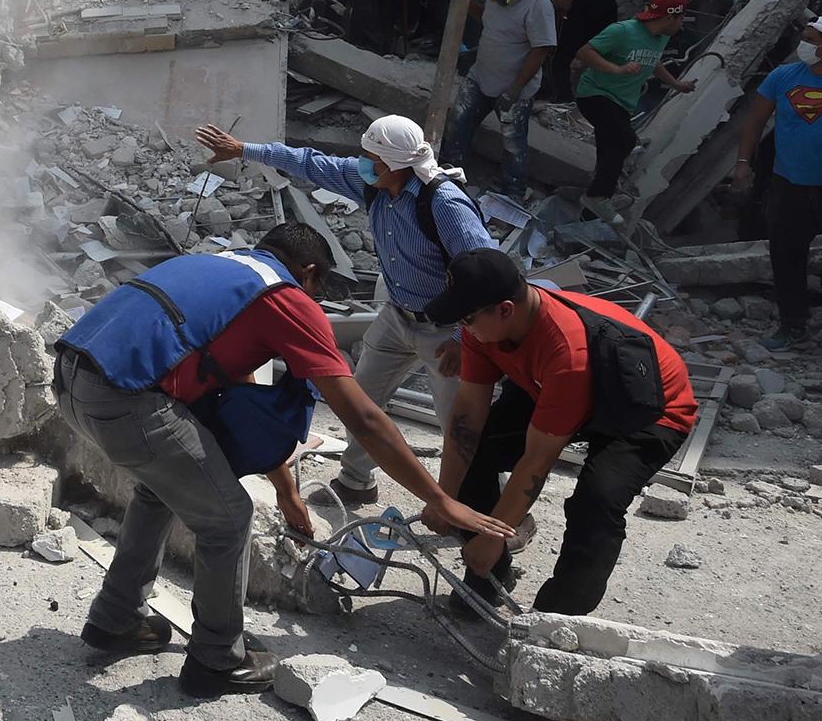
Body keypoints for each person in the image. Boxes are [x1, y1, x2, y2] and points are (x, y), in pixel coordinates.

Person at [54, 224, 515, 696]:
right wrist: (439, 498)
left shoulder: (222, 269)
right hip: (127, 399)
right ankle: (216, 659)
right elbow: (364, 419)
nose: (311, 296)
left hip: (74, 380)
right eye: (315, 287)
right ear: (309, 273)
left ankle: (117, 618)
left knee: (162, 488)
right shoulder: (286, 298)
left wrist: (286, 489)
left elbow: (243, 401)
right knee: (228, 517)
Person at [197, 117, 500, 507]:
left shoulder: (443, 203)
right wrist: (243, 150)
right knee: (362, 398)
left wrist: (465, 338)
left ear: (392, 164)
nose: (360, 163)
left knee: (461, 426)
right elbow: (310, 163)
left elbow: (488, 270)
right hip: (397, 316)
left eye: (369, 157)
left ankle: (496, 510)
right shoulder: (373, 185)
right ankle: (356, 480)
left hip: (449, 330)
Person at [430, 248, 697, 613]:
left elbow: (537, 459)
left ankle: (558, 620)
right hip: (565, 387)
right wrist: (444, 499)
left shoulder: (566, 353)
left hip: (647, 408)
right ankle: (489, 576)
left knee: (597, 500)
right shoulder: (484, 327)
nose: (464, 328)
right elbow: (466, 421)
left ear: (505, 309)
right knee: (481, 450)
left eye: (467, 318)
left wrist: (493, 535)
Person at [731, 16, 822, 351]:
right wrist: (743, 164)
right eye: (803, 37)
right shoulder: (783, 77)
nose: (803, 45)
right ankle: (792, 324)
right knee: (786, 254)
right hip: (790, 183)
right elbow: (755, 122)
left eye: (810, 38)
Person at [442, 0, 556, 205]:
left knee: (513, 142)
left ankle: (513, 192)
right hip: (481, 75)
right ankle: (448, 177)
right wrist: (462, 0)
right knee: (458, 125)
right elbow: (487, 18)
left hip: (513, 86)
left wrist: (516, 88)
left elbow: (541, 49)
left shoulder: (538, 5)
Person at [572, 0, 696, 202]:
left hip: (623, 101)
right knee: (625, 140)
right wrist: (616, 69)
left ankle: (591, 211)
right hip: (595, 93)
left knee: (609, 148)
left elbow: (654, 62)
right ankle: (597, 197)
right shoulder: (622, 31)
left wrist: (676, 84)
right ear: (670, 18)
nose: (682, 23)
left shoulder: (662, 37)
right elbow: (585, 52)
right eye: (681, 18)